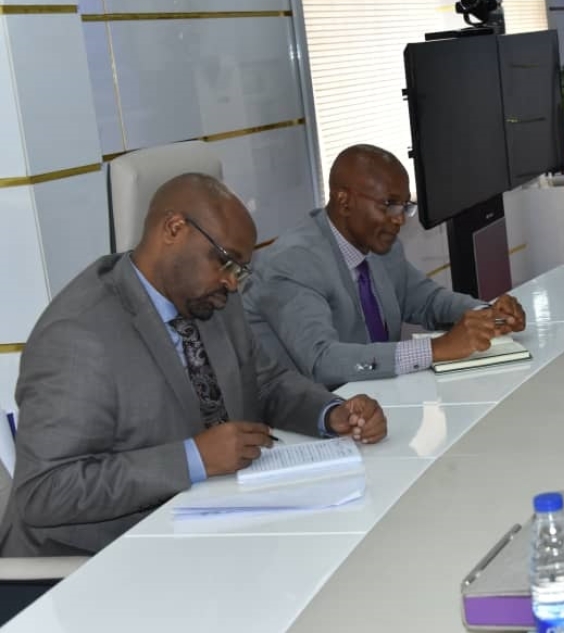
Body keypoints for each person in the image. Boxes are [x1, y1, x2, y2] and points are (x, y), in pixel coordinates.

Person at [0, 173, 387, 558]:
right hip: (95, 564)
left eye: (239, 269)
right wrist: (193, 459)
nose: (233, 283)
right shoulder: (78, 335)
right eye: (227, 261)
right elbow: (45, 490)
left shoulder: (209, 296)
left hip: (208, 531)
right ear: (174, 229)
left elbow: (264, 382)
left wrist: (330, 413)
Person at [242, 144, 527, 389]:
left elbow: (428, 301)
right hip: (315, 422)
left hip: (381, 403)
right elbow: (322, 361)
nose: (400, 219)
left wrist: (487, 315)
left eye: (405, 206)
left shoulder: (380, 246)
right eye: (389, 205)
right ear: (344, 200)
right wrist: (435, 349)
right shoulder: (292, 263)